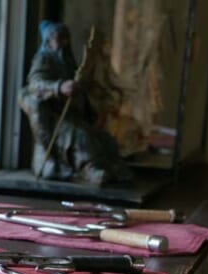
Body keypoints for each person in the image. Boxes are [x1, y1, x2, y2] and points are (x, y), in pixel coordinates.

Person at [18, 21, 132, 185]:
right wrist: (59, 87)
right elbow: (35, 85)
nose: (64, 43)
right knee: (81, 137)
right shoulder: (44, 59)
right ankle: (90, 169)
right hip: (55, 115)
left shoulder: (68, 60)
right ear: (49, 41)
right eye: (60, 38)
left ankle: (114, 168)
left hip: (73, 113)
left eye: (66, 38)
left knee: (104, 139)